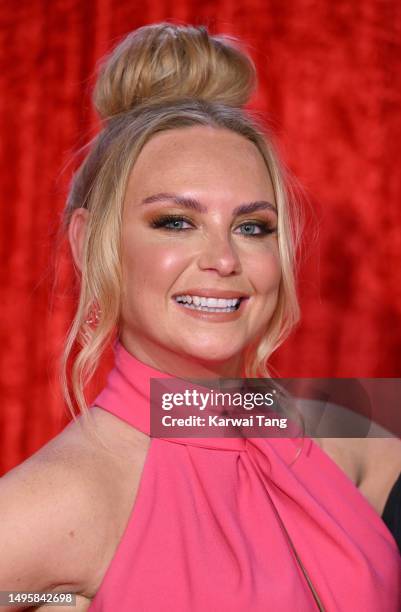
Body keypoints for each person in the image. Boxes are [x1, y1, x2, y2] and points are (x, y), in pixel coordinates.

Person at [1, 22, 400, 612]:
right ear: (91, 244)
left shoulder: (331, 429)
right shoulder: (59, 499)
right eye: (175, 222)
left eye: (251, 227)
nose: (223, 259)